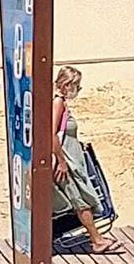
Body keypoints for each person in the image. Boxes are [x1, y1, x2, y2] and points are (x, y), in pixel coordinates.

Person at [52, 66, 121, 254]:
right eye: (77, 86)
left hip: (71, 160)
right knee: (80, 199)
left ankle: (96, 237)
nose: (78, 90)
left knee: (82, 198)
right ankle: (96, 240)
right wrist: (62, 161)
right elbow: (52, 134)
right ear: (67, 85)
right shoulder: (57, 103)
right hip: (66, 163)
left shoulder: (61, 102)